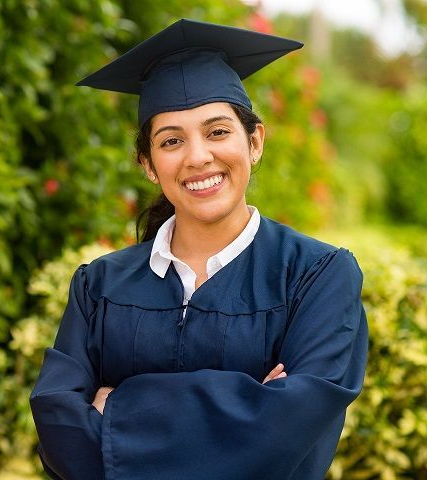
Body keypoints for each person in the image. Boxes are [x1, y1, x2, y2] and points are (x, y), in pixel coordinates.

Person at [29, 19, 368, 480]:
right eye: (171, 141)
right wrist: (250, 402)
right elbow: (58, 425)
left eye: (217, 132)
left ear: (254, 143)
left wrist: (116, 408)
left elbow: (292, 431)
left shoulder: (317, 275)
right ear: (148, 165)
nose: (197, 157)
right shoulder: (98, 284)